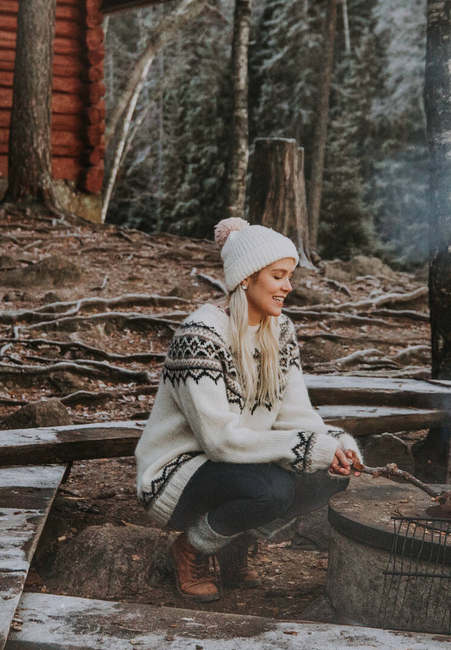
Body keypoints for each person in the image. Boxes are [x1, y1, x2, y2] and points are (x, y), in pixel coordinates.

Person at [135, 218, 364, 601]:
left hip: (241, 462)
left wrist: (337, 445)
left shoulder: (280, 330)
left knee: (331, 476)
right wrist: (307, 448)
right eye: (278, 276)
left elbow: (296, 415)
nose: (288, 287)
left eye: (289, 276)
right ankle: (192, 548)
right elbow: (219, 441)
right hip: (178, 473)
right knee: (272, 491)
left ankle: (233, 541)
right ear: (246, 278)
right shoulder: (200, 336)